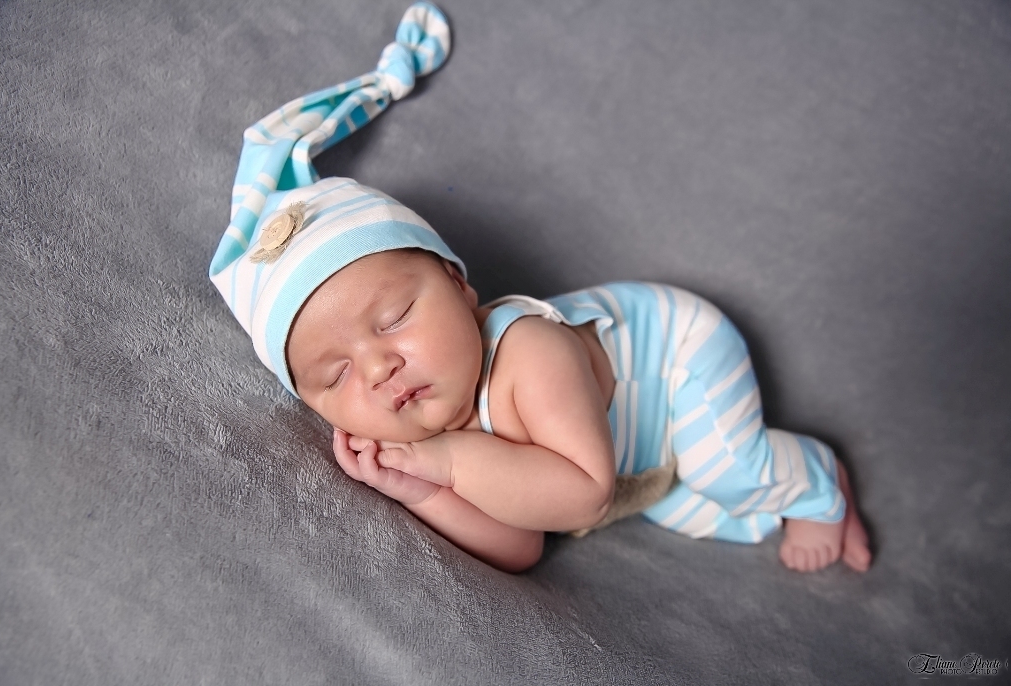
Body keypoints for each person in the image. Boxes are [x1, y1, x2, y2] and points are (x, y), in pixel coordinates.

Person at [210, 2, 871, 574]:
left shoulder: (527, 354)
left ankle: (818, 482)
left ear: (459, 287)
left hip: (677, 359)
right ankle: (780, 487)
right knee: (689, 510)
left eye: (395, 317)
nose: (379, 367)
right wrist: (423, 489)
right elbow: (523, 544)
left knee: (723, 470)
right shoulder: (418, 434)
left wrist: (448, 463)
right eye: (336, 375)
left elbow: (584, 494)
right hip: (637, 456)